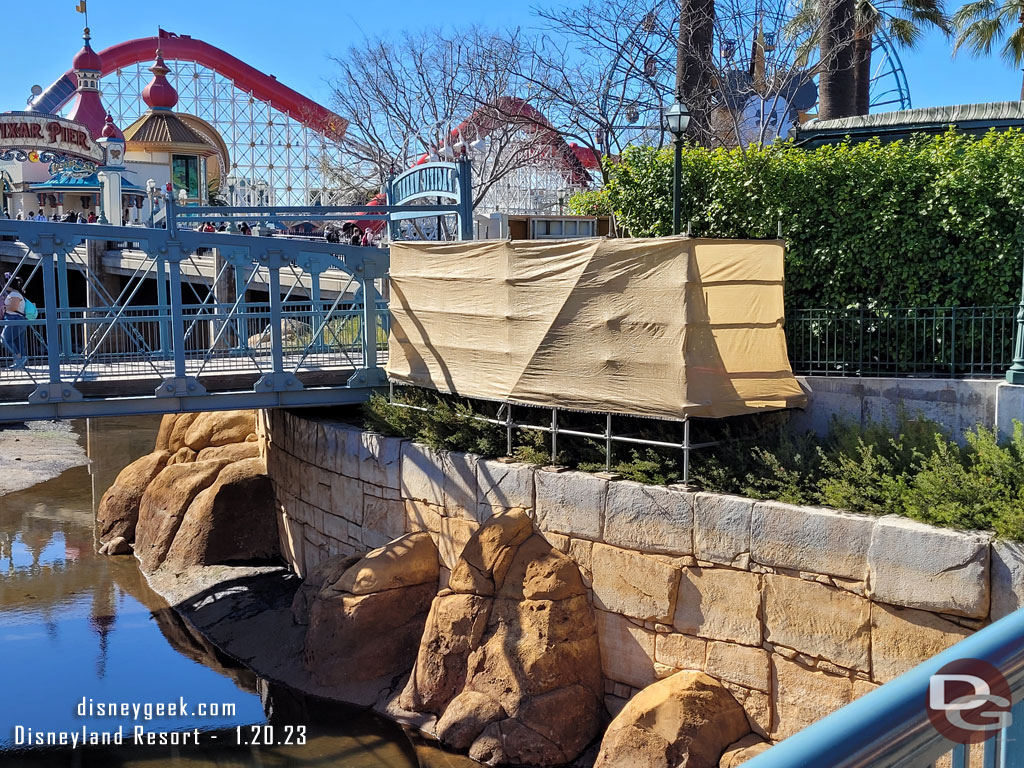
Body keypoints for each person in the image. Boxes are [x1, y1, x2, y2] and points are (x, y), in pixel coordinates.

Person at [2, 275, 28, 368]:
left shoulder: (14, 294)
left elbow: (13, 307)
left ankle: (18, 358)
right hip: (18, 319)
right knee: (17, 341)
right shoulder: (17, 293)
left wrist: (4, 307)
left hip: (14, 319)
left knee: (5, 339)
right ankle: (20, 361)